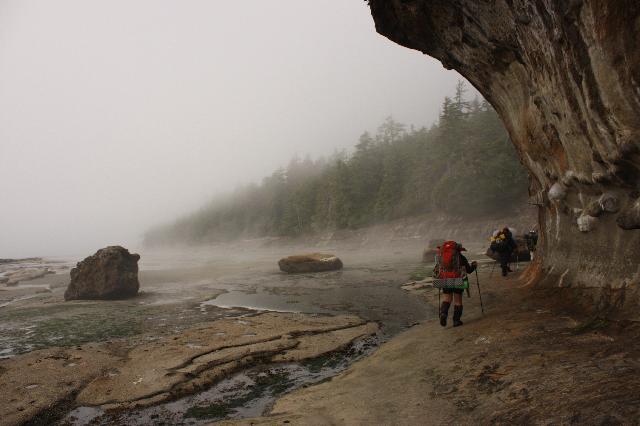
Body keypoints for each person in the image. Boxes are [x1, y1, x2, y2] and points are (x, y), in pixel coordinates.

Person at [436, 243, 477, 327]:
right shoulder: (461, 257)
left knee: (447, 299)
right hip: (458, 279)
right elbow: (468, 270)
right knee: (458, 300)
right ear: (458, 250)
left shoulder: (440, 256)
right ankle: (456, 321)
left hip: (445, 279)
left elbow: (437, 269)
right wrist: (474, 266)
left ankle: (443, 314)